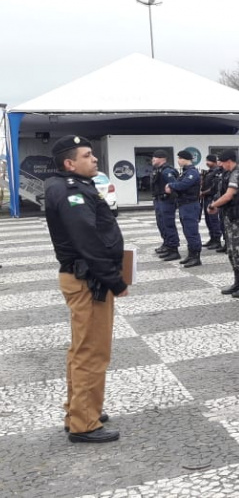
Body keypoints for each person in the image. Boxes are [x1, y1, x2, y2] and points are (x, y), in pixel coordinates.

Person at [44, 135, 128, 443]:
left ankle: (81, 409)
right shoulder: (70, 191)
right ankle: (84, 423)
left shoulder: (72, 186)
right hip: (88, 280)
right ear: (70, 163)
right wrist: (114, 279)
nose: (94, 159)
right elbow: (87, 239)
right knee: (91, 351)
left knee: (83, 349)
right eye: (87, 155)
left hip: (86, 277)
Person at [207, 151, 239, 298]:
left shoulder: (236, 174)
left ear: (229, 161)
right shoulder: (227, 174)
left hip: (237, 216)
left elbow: (229, 195)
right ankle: (238, 282)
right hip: (228, 215)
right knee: (232, 251)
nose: (220, 164)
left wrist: (214, 205)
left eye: (221, 162)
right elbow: (221, 193)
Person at [165, 150, 203, 268]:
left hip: (190, 205)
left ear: (184, 159)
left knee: (192, 231)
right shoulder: (185, 172)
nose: (178, 161)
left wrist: (170, 185)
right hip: (184, 205)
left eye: (179, 158)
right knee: (187, 231)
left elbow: (183, 185)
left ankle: (196, 257)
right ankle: (191, 255)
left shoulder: (192, 172)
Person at [150, 149, 180, 261]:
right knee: (161, 223)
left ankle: (173, 249)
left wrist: (172, 197)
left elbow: (175, 185)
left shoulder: (167, 171)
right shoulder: (158, 170)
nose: (153, 159)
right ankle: (167, 244)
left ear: (162, 159)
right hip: (159, 200)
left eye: (155, 157)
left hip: (166, 200)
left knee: (168, 224)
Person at [200, 154, 224, 250]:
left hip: (212, 198)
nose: (207, 163)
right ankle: (212, 238)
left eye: (208, 161)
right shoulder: (209, 172)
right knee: (208, 220)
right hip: (206, 198)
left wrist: (203, 193)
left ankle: (217, 240)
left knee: (214, 220)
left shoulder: (217, 172)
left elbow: (214, 188)